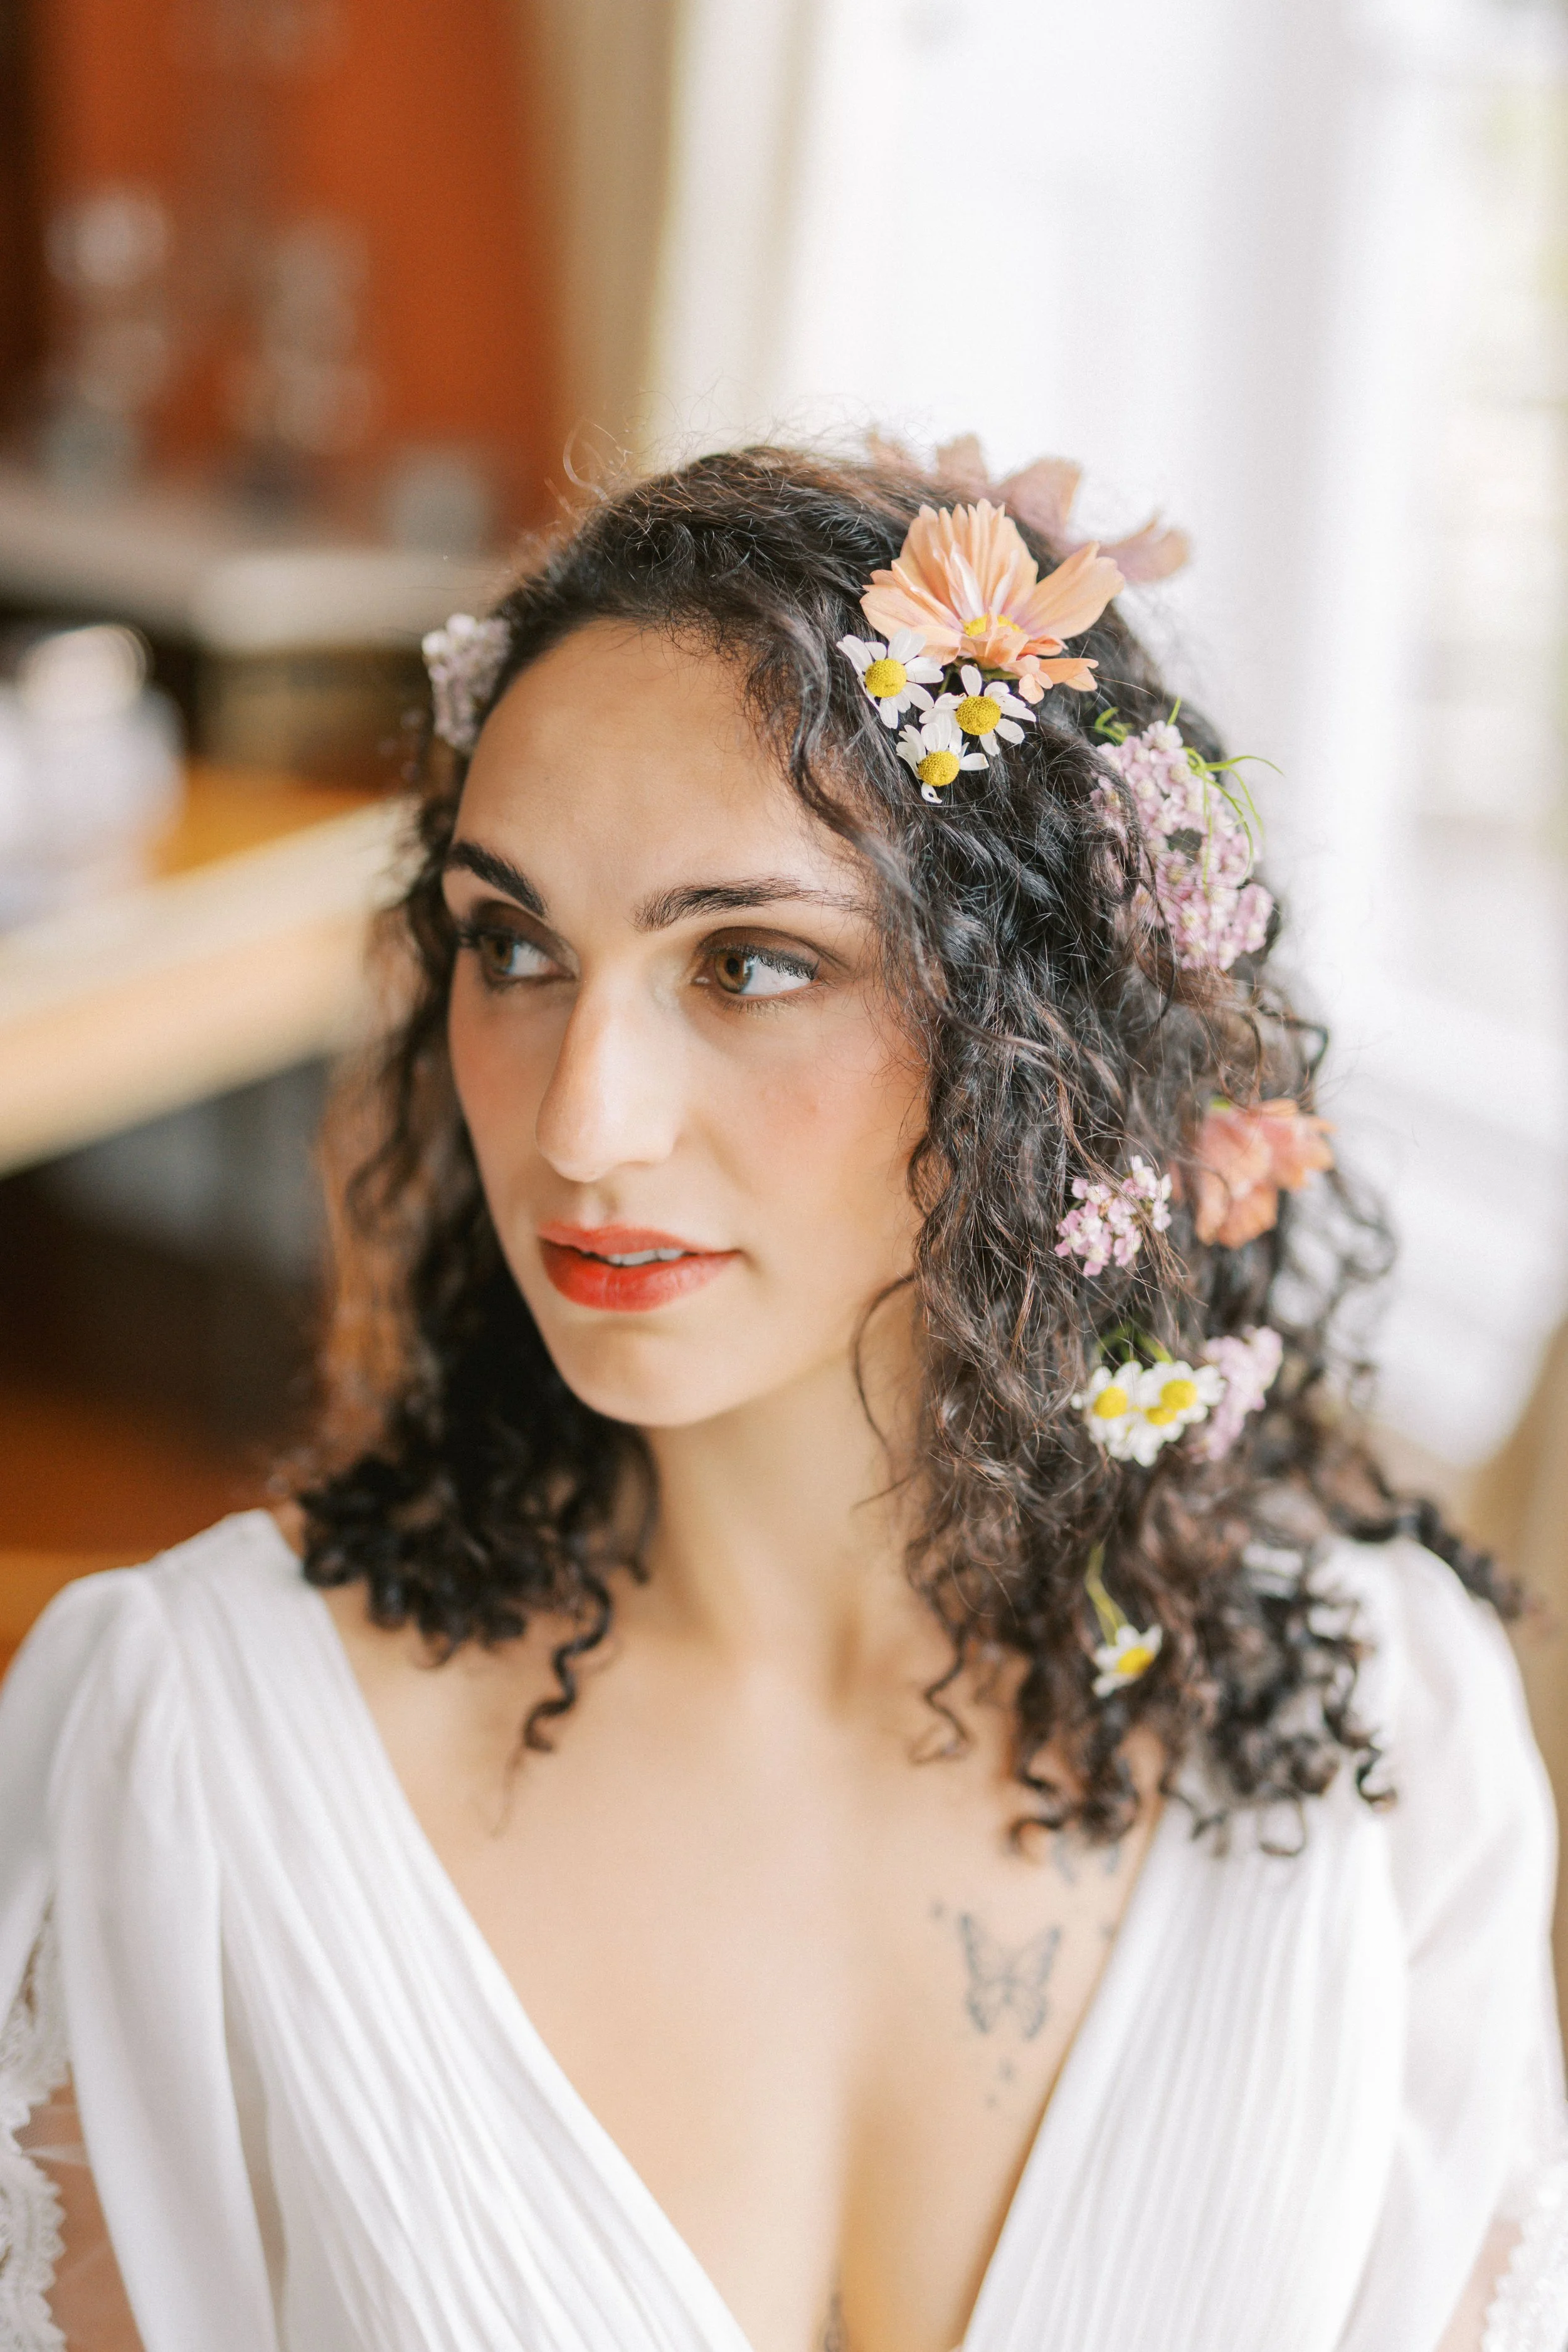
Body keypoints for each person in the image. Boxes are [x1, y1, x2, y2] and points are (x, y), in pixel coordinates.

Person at [1, 444, 1563, 2352]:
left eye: (746, 962)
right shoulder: (190, 1751)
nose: (582, 1118)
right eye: (513, 948)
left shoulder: (1390, 1735)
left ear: (1032, 1032)